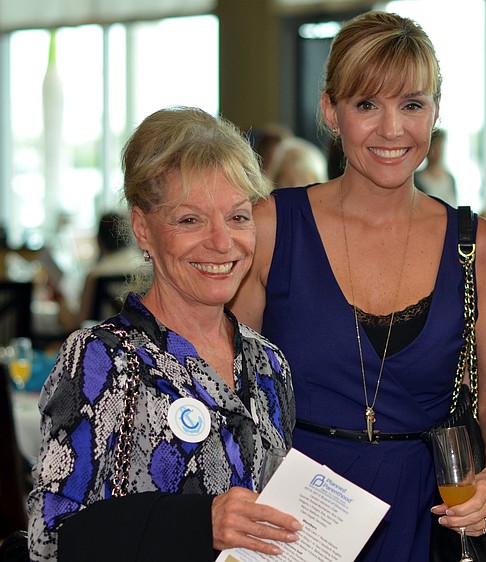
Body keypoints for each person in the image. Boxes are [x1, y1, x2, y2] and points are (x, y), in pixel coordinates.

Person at [229, 11, 486, 562]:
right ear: (331, 111)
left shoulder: (476, 246)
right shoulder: (271, 227)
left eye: (412, 105)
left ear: (435, 113)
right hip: (295, 516)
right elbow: (231, 392)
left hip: (429, 516)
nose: (392, 130)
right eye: (367, 105)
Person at [27, 106, 300, 562]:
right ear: (143, 230)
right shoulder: (100, 360)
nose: (221, 242)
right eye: (190, 220)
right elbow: (48, 540)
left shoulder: (268, 362)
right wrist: (198, 523)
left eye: (237, 217)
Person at [56, 211, 144, 332]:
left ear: (100, 240)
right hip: (142, 340)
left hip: (102, 343)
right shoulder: (146, 269)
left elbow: (80, 321)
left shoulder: (96, 274)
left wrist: (61, 299)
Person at [414, 128, 457, 206]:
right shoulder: (416, 179)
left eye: (439, 147)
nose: (436, 151)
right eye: (434, 147)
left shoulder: (450, 179)